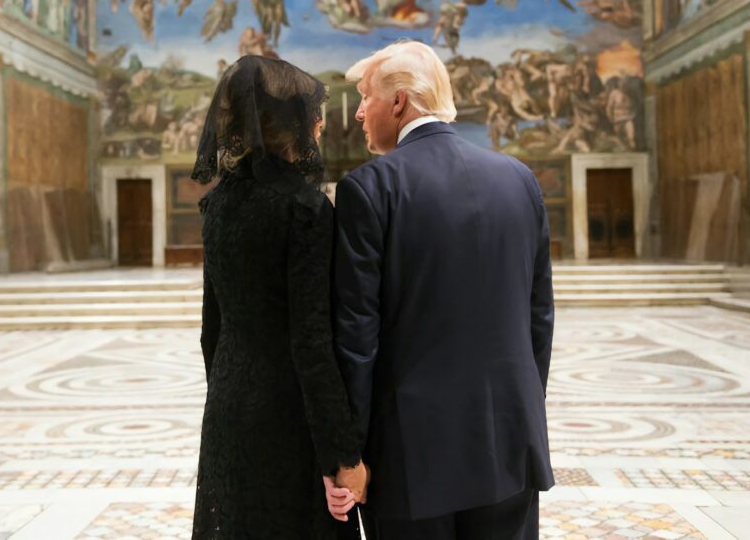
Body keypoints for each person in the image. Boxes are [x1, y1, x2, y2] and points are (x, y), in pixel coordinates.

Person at [327, 41, 555, 539]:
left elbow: (357, 337)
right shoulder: (519, 179)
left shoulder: (370, 188)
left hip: (413, 456)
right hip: (511, 444)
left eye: (366, 96)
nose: (359, 111)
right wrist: (523, 413)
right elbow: (539, 318)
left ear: (399, 102)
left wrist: (350, 456)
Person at [191, 56, 369, 538]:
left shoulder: (218, 203)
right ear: (293, 125)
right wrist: (342, 453)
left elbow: (212, 330)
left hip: (229, 404)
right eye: (313, 115)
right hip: (287, 413)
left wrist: (229, 393)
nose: (318, 125)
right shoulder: (304, 209)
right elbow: (312, 342)